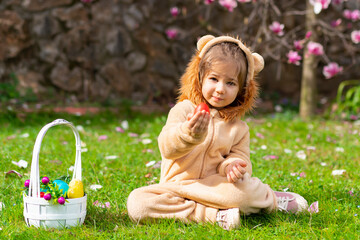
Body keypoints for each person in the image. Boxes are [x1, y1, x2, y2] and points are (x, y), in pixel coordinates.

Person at [127, 35, 308, 230]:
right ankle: (215, 215)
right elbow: (167, 147)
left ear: (242, 90)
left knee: (243, 192)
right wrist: (188, 135)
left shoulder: (238, 128)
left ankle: (270, 198)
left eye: (230, 83)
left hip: (215, 188)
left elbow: (241, 159)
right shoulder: (183, 110)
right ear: (200, 77)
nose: (220, 89)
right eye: (214, 79)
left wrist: (231, 166)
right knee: (138, 203)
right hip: (177, 188)